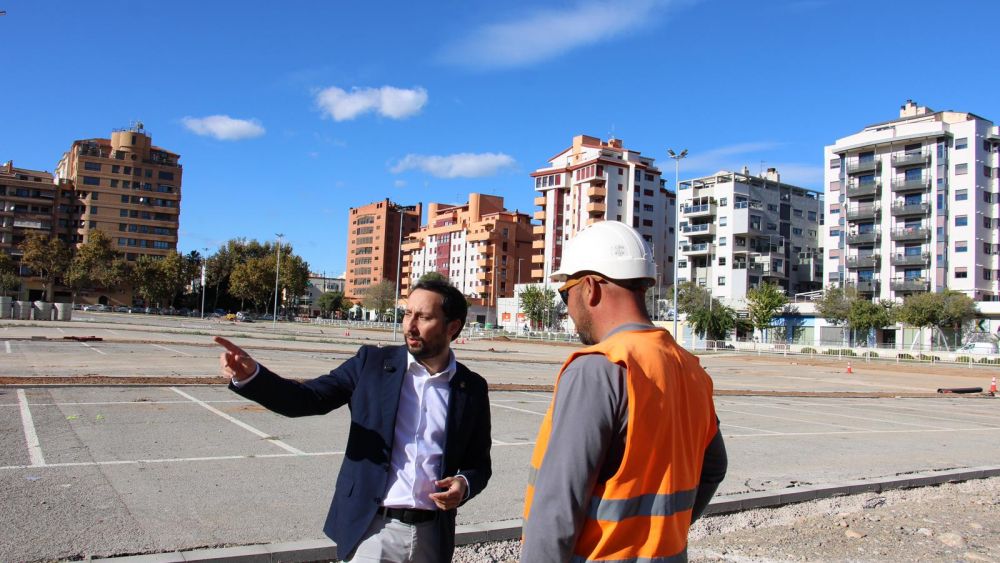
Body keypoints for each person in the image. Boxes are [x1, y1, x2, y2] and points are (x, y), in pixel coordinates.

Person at [215, 279, 492, 562]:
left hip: (434, 535)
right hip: (372, 530)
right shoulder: (370, 364)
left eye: (424, 317)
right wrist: (252, 376)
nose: (409, 325)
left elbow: (479, 464)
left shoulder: (471, 388)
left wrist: (464, 483)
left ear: (452, 327)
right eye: (408, 313)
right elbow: (306, 398)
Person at [521, 221, 728, 562]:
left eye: (565, 293)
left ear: (590, 287)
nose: (568, 309)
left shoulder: (599, 368)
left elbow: (557, 506)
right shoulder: (691, 370)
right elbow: (714, 467)